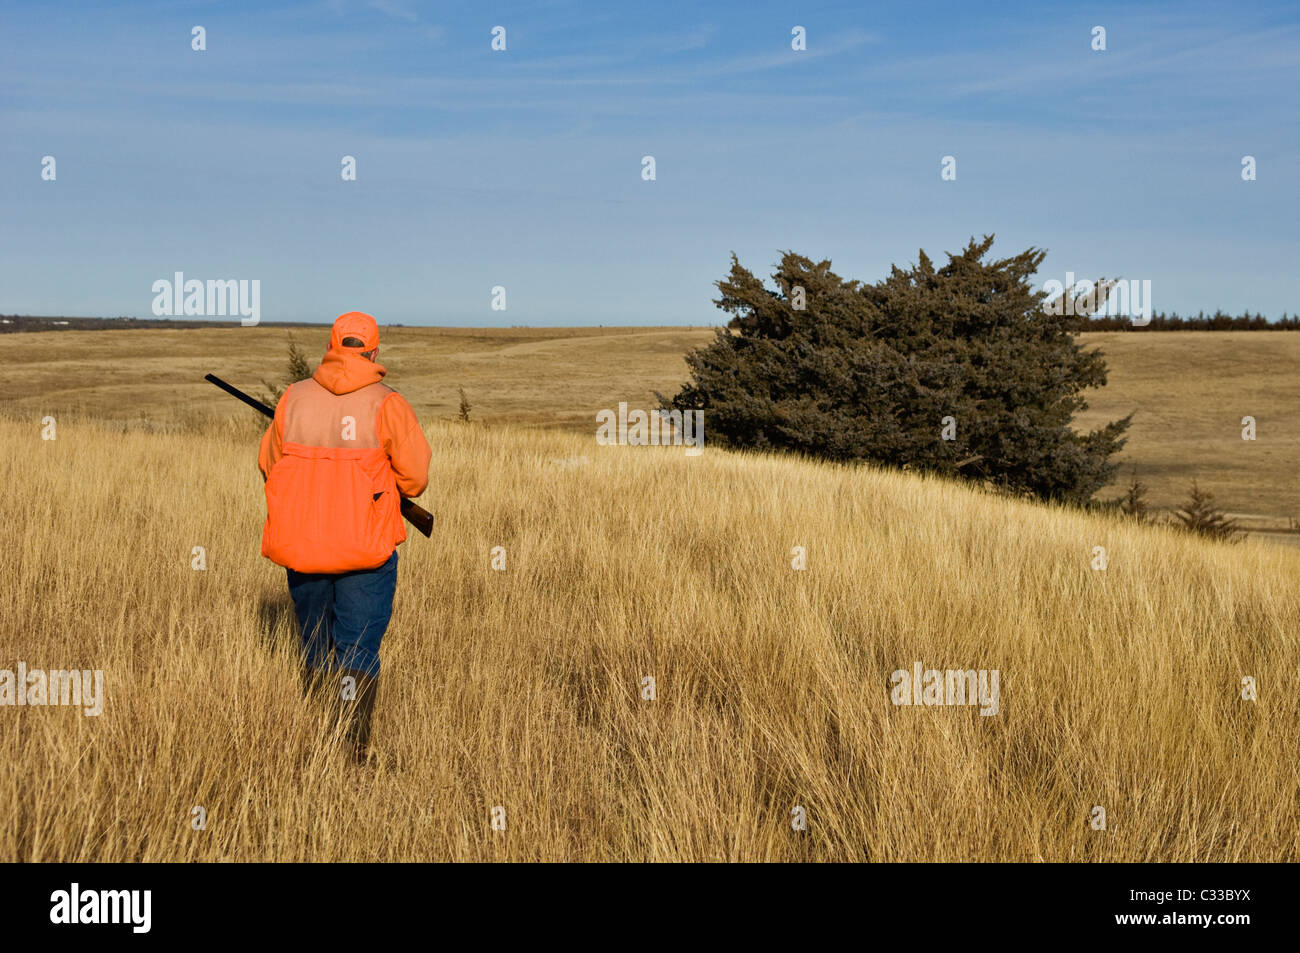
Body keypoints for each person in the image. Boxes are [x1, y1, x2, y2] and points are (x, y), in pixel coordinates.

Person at [257, 311, 431, 762]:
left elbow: (268, 464)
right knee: (357, 647)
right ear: (374, 351)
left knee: (314, 637)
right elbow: (414, 478)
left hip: (303, 547)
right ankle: (350, 749)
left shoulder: (293, 399)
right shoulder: (387, 403)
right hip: (364, 551)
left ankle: (315, 729)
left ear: (332, 345)